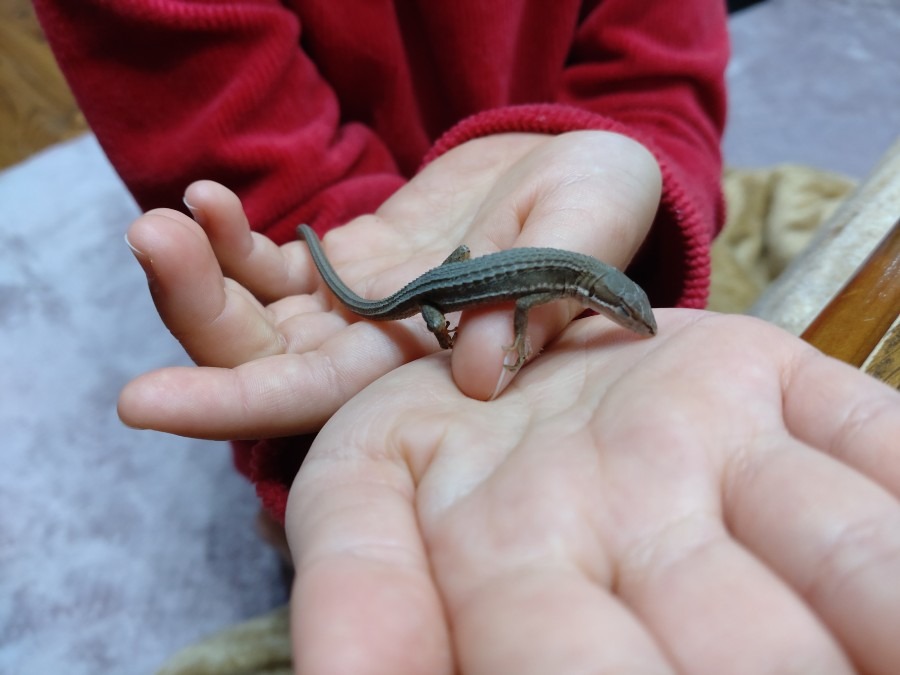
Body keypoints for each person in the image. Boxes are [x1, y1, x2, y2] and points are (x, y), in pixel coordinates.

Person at [35, 1, 900, 672]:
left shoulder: (577, 277)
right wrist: (367, 259)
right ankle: (295, 519)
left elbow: (659, 79)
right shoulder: (549, 284)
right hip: (422, 288)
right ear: (604, 300)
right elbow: (511, 306)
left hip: (457, 250)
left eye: (628, 314)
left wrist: (569, 159)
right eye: (627, 312)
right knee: (340, 436)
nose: (631, 322)